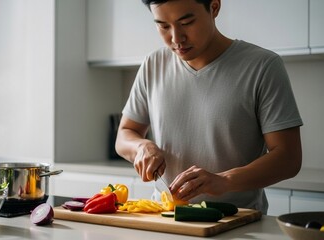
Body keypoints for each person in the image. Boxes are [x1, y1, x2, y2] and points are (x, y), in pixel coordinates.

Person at [115, 0, 303, 214]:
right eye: (163, 26)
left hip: (234, 219)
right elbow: (125, 134)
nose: (176, 38)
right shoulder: (153, 64)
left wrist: (224, 180)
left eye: (186, 22)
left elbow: (288, 157)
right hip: (165, 218)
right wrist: (141, 147)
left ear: (214, 7)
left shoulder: (263, 66)